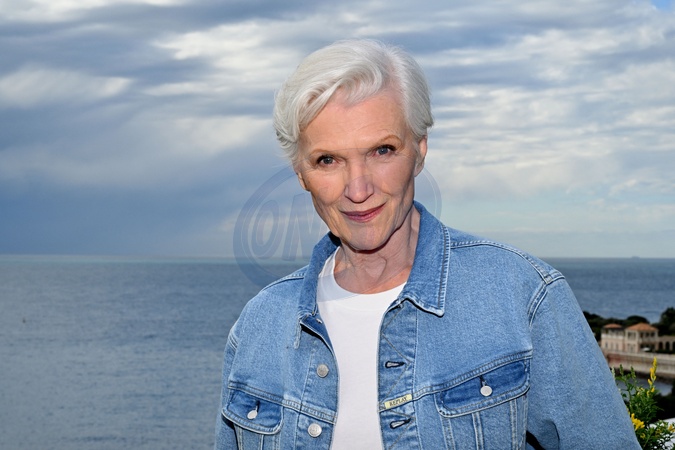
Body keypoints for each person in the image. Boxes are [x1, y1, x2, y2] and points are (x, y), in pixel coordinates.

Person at [215, 39, 639, 449]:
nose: (358, 189)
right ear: (301, 173)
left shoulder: (521, 295)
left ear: (420, 151)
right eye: (328, 160)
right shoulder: (260, 325)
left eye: (382, 151)